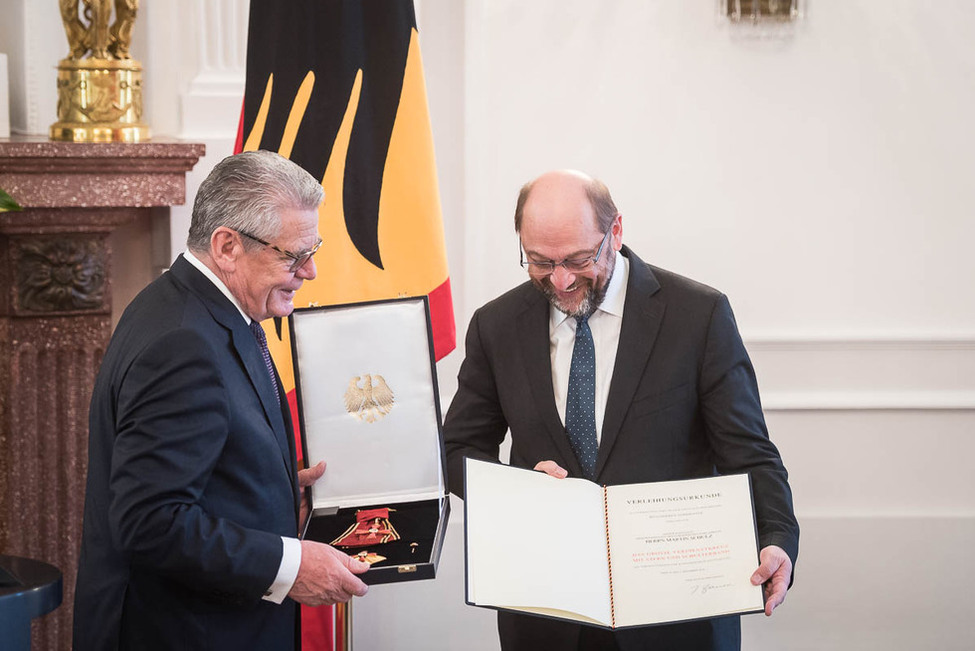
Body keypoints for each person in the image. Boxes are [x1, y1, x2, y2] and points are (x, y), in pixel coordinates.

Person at [443, 170, 799, 651]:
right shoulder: (496, 325)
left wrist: (777, 537)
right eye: (539, 262)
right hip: (547, 614)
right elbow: (458, 449)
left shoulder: (698, 315)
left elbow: (750, 453)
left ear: (615, 232)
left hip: (676, 621)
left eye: (577, 259)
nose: (561, 280)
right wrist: (519, 491)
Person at [73, 150, 370, 650]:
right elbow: (149, 522)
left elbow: (199, 462)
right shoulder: (182, 342)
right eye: (293, 255)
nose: (311, 270)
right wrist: (290, 565)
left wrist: (270, 488)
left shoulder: (194, 306)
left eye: (313, 248)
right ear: (227, 245)